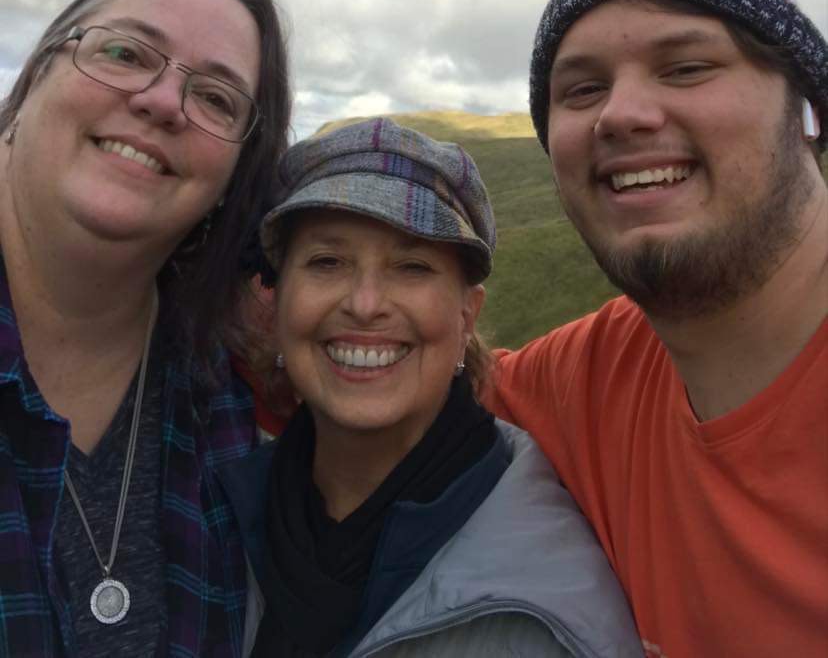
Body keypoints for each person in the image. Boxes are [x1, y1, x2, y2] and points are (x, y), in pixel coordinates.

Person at [488, 0, 828, 657]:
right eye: (582, 89)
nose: (620, 114)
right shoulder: (590, 375)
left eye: (686, 68)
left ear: (805, 110)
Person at [220, 117, 643, 657]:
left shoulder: (545, 618)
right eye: (327, 262)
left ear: (468, 316)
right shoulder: (209, 510)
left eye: (412, 266)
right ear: (276, 306)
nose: (365, 303)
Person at [0, 0, 291, 658]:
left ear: (233, 179)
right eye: (127, 53)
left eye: (217, 98)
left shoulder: (224, 395)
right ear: (36, 75)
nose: (162, 102)